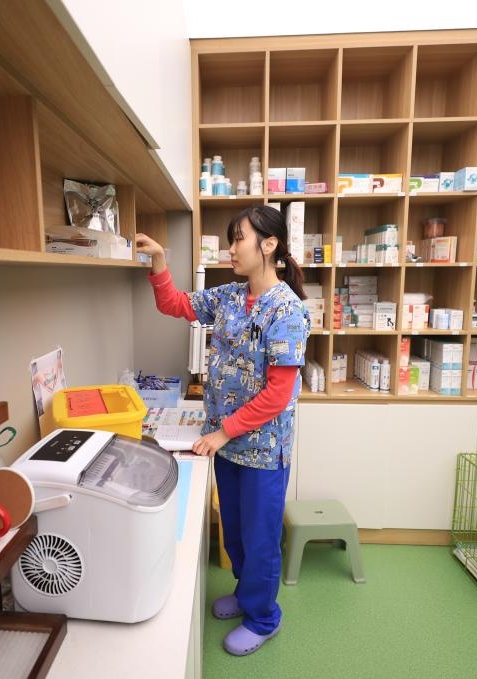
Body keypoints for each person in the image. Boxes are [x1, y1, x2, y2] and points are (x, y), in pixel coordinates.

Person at [135, 205, 310, 656]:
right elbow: (175, 304)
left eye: (238, 239)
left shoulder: (287, 310)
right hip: (227, 445)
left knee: (260, 538)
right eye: (231, 239)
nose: (231, 249)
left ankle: (264, 617)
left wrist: (223, 432)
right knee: (234, 530)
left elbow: (278, 395)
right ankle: (245, 592)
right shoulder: (229, 296)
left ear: (268, 245)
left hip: (262, 450)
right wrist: (159, 261)